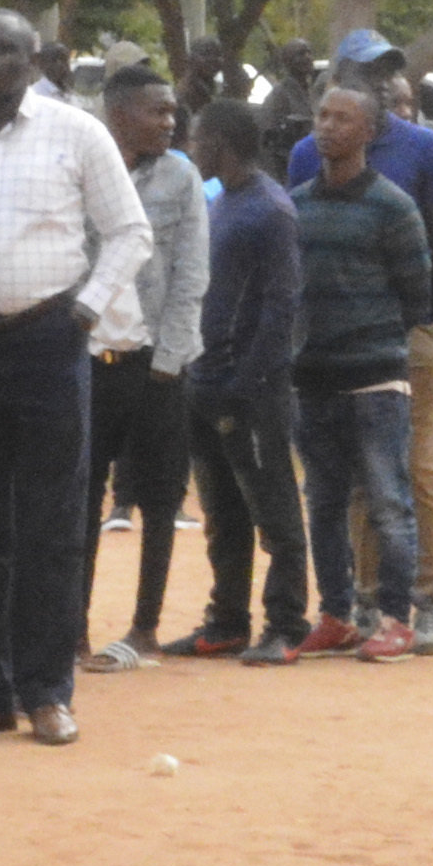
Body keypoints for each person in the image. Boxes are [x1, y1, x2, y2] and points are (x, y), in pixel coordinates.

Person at [0, 11, 140, 745]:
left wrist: (87, 310)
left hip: (49, 342)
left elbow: (129, 231)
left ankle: (46, 691)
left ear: (34, 63)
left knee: (51, 525)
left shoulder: (77, 133)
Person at [290, 80, 433, 657]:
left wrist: (369, 337)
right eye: (322, 116)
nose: (327, 127)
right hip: (313, 377)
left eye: (342, 119)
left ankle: (396, 619)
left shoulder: (394, 207)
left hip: (376, 378)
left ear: (370, 133)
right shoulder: (297, 205)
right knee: (324, 502)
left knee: (388, 501)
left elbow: (416, 295)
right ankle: (336, 615)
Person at [179, 100, 317, 656]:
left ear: (220, 142)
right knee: (222, 512)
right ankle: (227, 620)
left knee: (273, 506)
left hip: (248, 389)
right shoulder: (223, 201)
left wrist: (250, 380)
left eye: (196, 138)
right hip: (205, 380)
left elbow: (283, 304)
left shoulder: (270, 210)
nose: (190, 148)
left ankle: (286, 624)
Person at [86, 64, 210, 666]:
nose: (170, 121)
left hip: (158, 362)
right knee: (81, 496)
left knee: (161, 499)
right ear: (119, 115)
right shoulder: (83, 166)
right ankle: (72, 628)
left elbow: (191, 272)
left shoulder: (180, 177)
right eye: (157, 111)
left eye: (172, 111)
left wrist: (169, 361)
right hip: (91, 360)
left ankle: (144, 628)